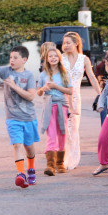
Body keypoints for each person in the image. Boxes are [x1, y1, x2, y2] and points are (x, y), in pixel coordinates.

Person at [0, 46, 39, 188]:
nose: (12, 60)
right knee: (17, 145)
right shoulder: (6, 71)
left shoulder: (29, 76)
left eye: (15, 58)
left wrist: (14, 86)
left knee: (29, 147)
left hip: (28, 117)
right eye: (10, 57)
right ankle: (21, 174)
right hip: (12, 118)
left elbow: (31, 96)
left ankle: (31, 168)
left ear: (24, 60)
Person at [61, 31, 101, 170]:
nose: (65, 45)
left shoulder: (84, 59)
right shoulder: (60, 58)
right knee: (64, 129)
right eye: (64, 43)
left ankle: (72, 159)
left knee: (73, 129)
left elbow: (92, 78)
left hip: (76, 97)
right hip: (61, 98)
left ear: (76, 43)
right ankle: (62, 159)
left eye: (68, 43)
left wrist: (101, 94)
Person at [37, 48, 73, 176]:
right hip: (48, 106)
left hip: (61, 106)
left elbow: (70, 91)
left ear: (59, 58)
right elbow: (38, 92)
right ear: (46, 59)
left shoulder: (64, 74)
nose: (53, 58)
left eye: (55, 56)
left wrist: (56, 87)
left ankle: (60, 163)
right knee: (51, 134)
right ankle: (50, 165)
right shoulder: (43, 74)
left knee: (62, 133)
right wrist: (43, 88)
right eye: (50, 56)